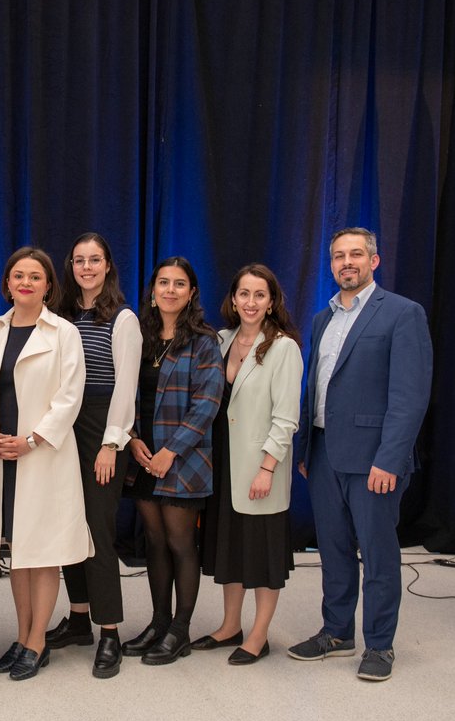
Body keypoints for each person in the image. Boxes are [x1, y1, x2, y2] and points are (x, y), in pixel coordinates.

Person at [289, 227, 432, 681]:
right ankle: (336, 633)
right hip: (326, 451)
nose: (346, 262)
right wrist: (308, 448)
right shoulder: (321, 319)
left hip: (375, 458)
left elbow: (409, 397)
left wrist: (390, 459)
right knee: (332, 550)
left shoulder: (403, 314)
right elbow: (317, 388)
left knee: (378, 553)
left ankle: (380, 645)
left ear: (375, 260)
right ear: (330, 264)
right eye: (337, 256)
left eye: (355, 254)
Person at [0, 246, 91, 681]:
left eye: (35, 276)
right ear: (7, 283)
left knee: (42, 553)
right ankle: (22, 634)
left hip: (41, 456)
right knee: (16, 551)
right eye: (18, 275)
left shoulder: (63, 333)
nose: (25, 282)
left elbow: (70, 397)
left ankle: (38, 641)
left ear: (48, 285)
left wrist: (30, 440)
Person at [44, 232, 141, 678]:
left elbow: (126, 387)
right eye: (79, 259)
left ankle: (110, 633)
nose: (86, 267)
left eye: (95, 259)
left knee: (98, 531)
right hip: (66, 423)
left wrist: (110, 443)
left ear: (107, 266)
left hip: (104, 426)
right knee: (69, 524)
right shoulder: (60, 315)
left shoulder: (122, 319)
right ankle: (80, 618)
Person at [195, 263, 303, 665]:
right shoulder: (220, 340)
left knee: (262, 553)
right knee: (231, 548)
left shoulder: (283, 347)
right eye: (244, 294)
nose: (251, 302)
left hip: (260, 466)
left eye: (260, 295)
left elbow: (287, 417)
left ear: (271, 301)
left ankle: (258, 634)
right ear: (233, 299)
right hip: (222, 463)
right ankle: (229, 626)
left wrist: (267, 468)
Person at [122, 257, 223, 666]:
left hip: (182, 460)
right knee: (155, 542)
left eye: (179, 284)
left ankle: (180, 630)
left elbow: (207, 404)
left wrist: (170, 451)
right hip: (143, 456)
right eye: (163, 282)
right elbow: (124, 394)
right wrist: (131, 441)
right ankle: (158, 622)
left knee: (181, 543)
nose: (170, 290)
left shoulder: (203, 341)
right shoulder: (140, 339)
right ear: (152, 290)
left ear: (192, 292)